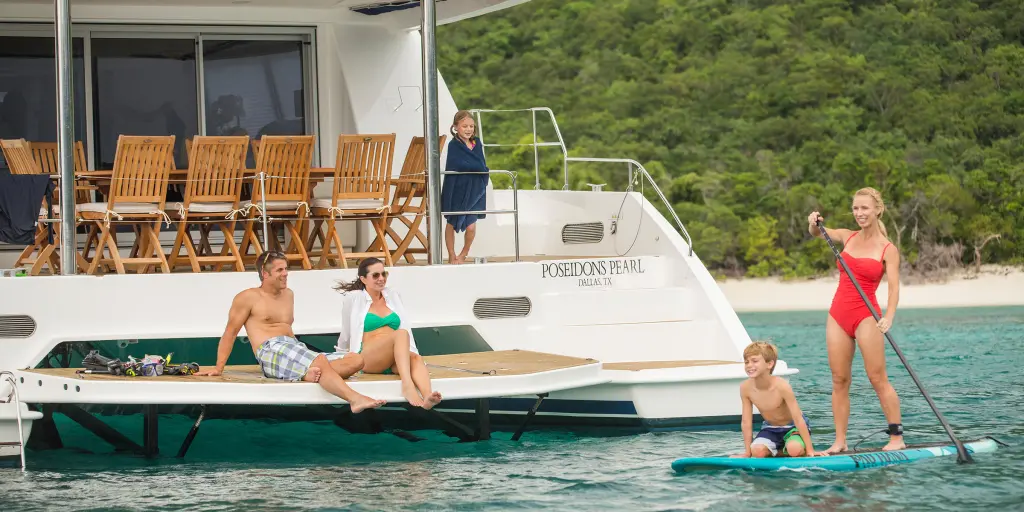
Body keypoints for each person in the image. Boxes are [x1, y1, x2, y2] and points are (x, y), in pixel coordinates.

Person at [196, 250, 386, 414]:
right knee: (320, 361)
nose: (286, 273)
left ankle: (304, 374)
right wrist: (218, 368)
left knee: (356, 360)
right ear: (265, 273)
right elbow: (230, 332)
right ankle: (354, 399)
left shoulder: (288, 294)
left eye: (286, 269)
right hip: (270, 349)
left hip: (295, 348)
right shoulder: (248, 297)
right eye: (280, 270)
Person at [808, 186, 905, 454]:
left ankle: (896, 437)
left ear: (878, 210)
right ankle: (840, 441)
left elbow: (894, 288)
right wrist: (813, 223)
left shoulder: (888, 249)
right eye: (855, 208)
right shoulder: (847, 236)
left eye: (864, 208)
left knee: (877, 378)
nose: (859, 213)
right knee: (839, 379)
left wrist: (889, 316)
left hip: (866, 316)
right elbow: (818, 232)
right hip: (838, 314)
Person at [335, 257, 442, 409]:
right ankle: (407, 385)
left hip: (392, 358)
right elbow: (346, 333)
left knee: (416, 358)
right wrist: (342, 357)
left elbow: (405, 325)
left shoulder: (393, 295)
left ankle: (427, 397)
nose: (381, 278)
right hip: (368, 358)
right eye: (375, 275)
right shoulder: (354, 298)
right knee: (400, 334)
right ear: (363, 279)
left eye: (383, 274)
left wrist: (411, 353)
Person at [733, 341, 815, 458]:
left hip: (793, 427)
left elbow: (798, 418)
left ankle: (792, 447)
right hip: (771, 428)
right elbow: (746, 421)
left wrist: (810, 450)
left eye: (754, 361)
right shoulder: (745, 388)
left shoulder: (782, 386)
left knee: (794, 450)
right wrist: (747, 452)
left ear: (769, 364)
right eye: (746, 362)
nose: (749, 365)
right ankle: (780, 449)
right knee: (757, 452)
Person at [439, 110, 489, 264]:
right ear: (456, 127)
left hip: (475, 189)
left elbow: (482, 164)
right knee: (451, 222)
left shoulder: (477, 143)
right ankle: (451, 254)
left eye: (471, 126)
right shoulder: (454, 145)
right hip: (458, 190)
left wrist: (477, 167)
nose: (468, 129)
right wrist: (477, 166)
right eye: (464, 126)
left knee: (471, 227)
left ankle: (464, 253)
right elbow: (457, 164)